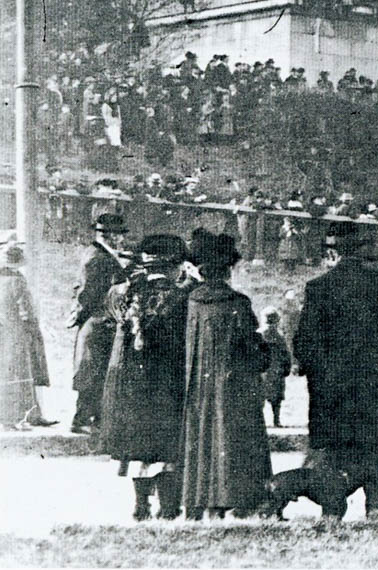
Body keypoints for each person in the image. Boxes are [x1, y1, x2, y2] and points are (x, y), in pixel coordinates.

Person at [293, 225, 378, 521]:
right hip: (371, 380)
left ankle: (332, 509)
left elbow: (304, 340)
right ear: (360, 250)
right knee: (372, 442)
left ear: (335, 252)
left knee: (334, 446)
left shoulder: (318, 287)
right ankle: (376, 504)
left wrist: (317, 374)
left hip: (330, 386)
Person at [180, 229, 273, 519]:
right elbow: (254, 353)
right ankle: (237, 501)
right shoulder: (238, 304)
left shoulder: (192, 302)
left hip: (198, 388)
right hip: (235, 387)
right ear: (227, 270)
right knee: (235, 440)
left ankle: (201, 503)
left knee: (202, 439)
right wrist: (265, 352)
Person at [98, 234, 189, 520]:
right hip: (165, 381)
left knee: (138, 445)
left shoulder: (122, 293)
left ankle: (141, 505)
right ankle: (169, 506)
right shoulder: (179, 297)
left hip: (130, 382)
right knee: (167, 445)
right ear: (174, 266)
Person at [71, 213, 128, 434]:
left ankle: (92, 419)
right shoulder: (98, 258)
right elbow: (87, 295)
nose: (121, 240)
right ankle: (83, 419)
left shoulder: (102, 255)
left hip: (99, 321)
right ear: (108, 235)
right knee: (92, 371)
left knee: (97, 370)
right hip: (97, 321)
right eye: (118, 235)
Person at [0, 243, 51, 429]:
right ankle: (14, 419)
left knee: (10, 373)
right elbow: (25, 308)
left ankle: (27, 415)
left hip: (6, 332)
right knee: (20, 374)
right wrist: (31, 326)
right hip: (18, 332)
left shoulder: (5, 278)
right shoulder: (16, 280)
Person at [260, 310, 292, 428]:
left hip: (262, 371)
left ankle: (260, 422)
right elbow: (286, 354)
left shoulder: (258, 334)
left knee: (260, 396)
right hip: (276, 370)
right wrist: (286, 368)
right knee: (277, 398)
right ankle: (276, 420)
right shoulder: (279, 336)